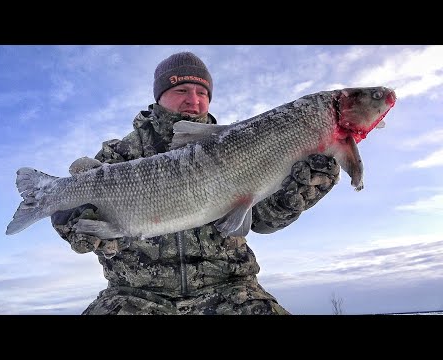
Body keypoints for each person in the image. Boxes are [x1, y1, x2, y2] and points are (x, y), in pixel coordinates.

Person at [51, 51, 340, 315]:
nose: (194, 99)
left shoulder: (242, 145)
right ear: (159, 96)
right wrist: (69, 221)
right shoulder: (117, 156)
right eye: (182, 90)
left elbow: (263, 222)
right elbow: (73, 208)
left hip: (230, 290)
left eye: (202, 92)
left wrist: (298, 194)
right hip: (133, 295)